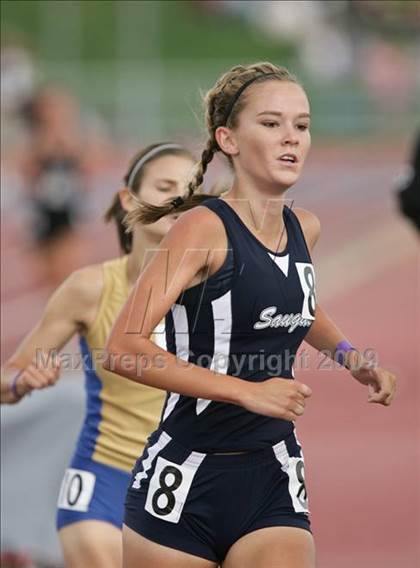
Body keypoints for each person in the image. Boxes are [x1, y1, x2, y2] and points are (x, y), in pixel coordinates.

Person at [105, 62, 397, 568]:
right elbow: (123, 348)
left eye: (301, 126)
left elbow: (292, 301)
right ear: (228, 139)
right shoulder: (198, 231)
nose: (292, 138)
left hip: (272, 472)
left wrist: (350, 356)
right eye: (271, 123)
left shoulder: (305, 227)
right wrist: (249, 392)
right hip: (185, 479)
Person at [2, 142, 196, 568]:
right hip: (103, 477)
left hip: (189, 481)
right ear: (130, 198)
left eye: (190, 190)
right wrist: (21, 380)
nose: (179, 199)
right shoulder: (89, 288)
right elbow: (8, 378)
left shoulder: (220, 291)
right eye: (166, 186)